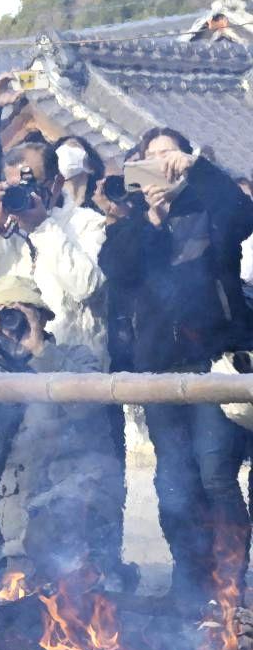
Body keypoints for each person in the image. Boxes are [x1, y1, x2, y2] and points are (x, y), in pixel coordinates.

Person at [98, 127, 253, 614]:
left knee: (215, 477)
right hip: (158, 370)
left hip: (212, 365)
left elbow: (244, 214)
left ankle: (231, 585)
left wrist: (197, 166)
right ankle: (190, 581)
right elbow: (119, 271)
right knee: (173, 484)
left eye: (170, 154)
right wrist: (152, 216)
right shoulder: (130, 224)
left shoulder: (212, 210)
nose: (163, 164)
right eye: (153, 157)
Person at [0, 276, 123, 592]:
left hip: (77, 505)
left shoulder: (77, 357)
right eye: (2, 316)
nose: (11, 324)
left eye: (21, 313)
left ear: (40, 318)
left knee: (77, 594)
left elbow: (87, 405)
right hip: (15, 516)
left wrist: (39, 349)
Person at [0, 142, 108, 363]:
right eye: (14, 187)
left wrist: (42, 226)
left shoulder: (88, 223)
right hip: (11, 370)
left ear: (57, 183)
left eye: (30, 185)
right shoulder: (0, 231)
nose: (23, 193)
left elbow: (86, 287)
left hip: (71, 365)